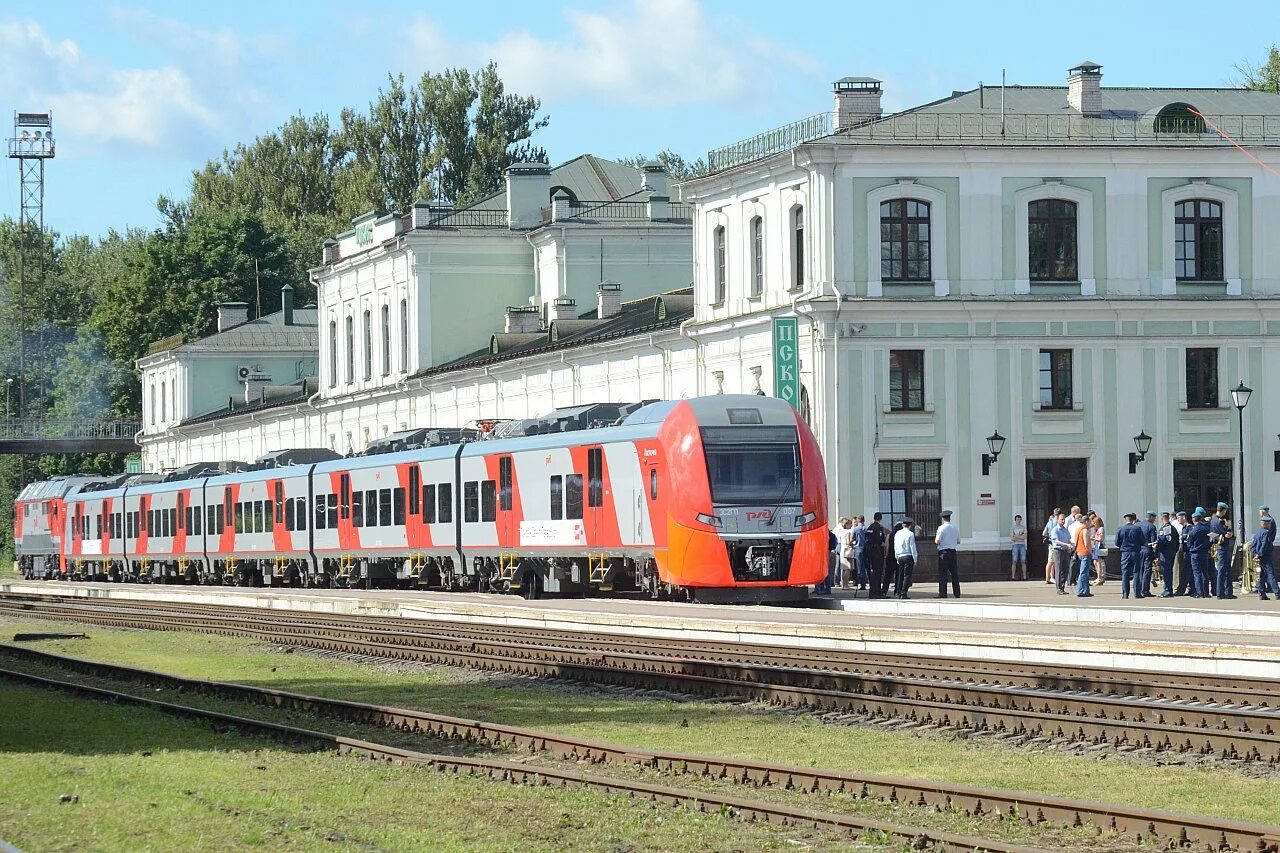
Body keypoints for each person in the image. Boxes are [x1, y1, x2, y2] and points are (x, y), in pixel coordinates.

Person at [1115, 513, 1146, 599]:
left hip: (1125, 553)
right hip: (1135, 552)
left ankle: (1125, 594)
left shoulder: (1121, 529)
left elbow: (1117, 542)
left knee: (1125, 573)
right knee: (1136, 572)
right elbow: (1143, 541)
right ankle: (1137, 593)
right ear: (1133, 520)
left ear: (1126, 520)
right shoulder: (1137, 529)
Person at [1210, 502, 1236, 600]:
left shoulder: (1213, 520)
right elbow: (1227, 534)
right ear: (1223, 510)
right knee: (1223, 570)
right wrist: (1229, 531)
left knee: (1223, 569)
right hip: (1223, 546)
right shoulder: (1220, 521)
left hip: (1217, 546)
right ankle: (1222, 592)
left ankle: (1226, 592)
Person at [1185, 508, 1211, 599]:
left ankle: (1199, 592)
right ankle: (1206, 591)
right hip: (1205, 552)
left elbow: (1189, 543)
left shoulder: (1193, 530)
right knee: (1204, 572)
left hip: (1195, 553)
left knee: (1197, 573)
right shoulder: (1207, 528)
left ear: (1193, 519)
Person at [1251, 516, 1278, 601]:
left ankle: (1262, 594)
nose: (1270, 525)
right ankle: (1277, 593)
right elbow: (1264, 545)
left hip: (1259, 557)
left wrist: (1255, 554)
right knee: (1271, 575)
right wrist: (1259, 554)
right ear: (1266, 524)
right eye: (1269, 523)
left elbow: (1253, 546)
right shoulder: (1266, 533)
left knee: (1261, 576)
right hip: (1265, 556)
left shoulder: (1258, 533)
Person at [935, 510, 961, 598]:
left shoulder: (941, 528)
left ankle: (943, 593)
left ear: (942, 518)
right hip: (953, 551)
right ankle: (957, 593)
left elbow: (937, 541)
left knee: (943, 573)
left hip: (943, 552)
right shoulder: (955, 527)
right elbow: (958, 541)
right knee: (954, 573)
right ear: (950, 518)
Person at [1156, 512, 1180, 598]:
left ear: (1162, 518)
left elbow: (1163, 540)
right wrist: (1174, 550)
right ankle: (1167, 589)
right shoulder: (1173, 528)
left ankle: (1167, 591)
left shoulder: (1165, 528)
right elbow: (1177, 541)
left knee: (1166, 572)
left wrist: (1156, 546)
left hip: (1165, 553)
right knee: (1168, 571)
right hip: (1171, 552)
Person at [893, 518, 917, 599]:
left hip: (900, 556)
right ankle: (904, 593)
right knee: (907, 575)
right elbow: (912, 547)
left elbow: (895, 546)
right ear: (910, 525)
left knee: (900, 575)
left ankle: (898, 592)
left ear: (903, 525)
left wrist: (897, 557)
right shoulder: (910, 534)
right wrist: (915, 558)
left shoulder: (897, 533)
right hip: (908, 556)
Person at [865, 512, 887, 599]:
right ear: (880, 518)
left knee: (873, 572)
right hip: (877, 552)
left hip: (870, 552)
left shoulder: (870, 527)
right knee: (877, 572)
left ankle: (875, 592)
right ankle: (876, 592)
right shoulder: (879, 528)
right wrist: (884, 544)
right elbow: (879, 540)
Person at [1050, 512, 1072, 595]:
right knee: (1058, 569)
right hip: (1058, 551)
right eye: (1061, 519)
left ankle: (1062, 587)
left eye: (1064, 520)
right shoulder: (1055, 530)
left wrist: (1070, 545)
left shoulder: (1066, 530)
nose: (1063, 521)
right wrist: (1066, 544)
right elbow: (1056, 541)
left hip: (1065, 551)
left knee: (1065, 570)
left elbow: (1069, 539)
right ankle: (1058, 588)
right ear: (1058, 520)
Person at [1073, 514, 1095, 597]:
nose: (1090, 524)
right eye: (1089, 522)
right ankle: (1080, 591)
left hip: (1079, 552)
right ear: (1086, 522)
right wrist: (1090, 551)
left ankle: (1086, 591)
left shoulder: (1078, 529)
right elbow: (1086, 543)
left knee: (1084, 572)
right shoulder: (1085, 530)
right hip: (1085, 553)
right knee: (1083, 573)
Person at [1138, 511, 1159, 596]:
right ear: (1151, 517)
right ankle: (1145, 590)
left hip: (1139, 550)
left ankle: (1138, 589)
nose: (1154, 520)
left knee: (1140, 570)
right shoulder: (1151, 526)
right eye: (1154, 518)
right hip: (1147, 550)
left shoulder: (1138, 525)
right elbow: (1153, 541)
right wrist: (1156, 554)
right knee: (1147, 571)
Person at [1172, 510, 1190, 596]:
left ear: (1184, 517)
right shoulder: (1183, 527)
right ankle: (1181, 588)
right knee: (1181, 569)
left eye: (1179, 517)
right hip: (1182, 548)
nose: (1177, 519)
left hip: (1184, 549)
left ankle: (1179, 588)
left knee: (1179, 569)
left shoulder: (1187, 527)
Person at [1042, 507, 1061, 584]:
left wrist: (1049, 536)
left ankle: (1049, 577)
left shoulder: (1050, 522)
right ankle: (1049, 578)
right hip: (1056, 543)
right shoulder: (1057, 522)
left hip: (1050, 543)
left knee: (1051, 561)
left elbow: (1043, 533)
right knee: (1052, 561)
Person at [850, 516, 869, 591]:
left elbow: (852, 539)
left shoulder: (855, 529)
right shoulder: (867, 528)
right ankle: (870, 582)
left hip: (858, 549)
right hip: (866, 548)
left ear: (858, 520)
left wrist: (851, 544)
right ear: (864, 520)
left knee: (860, 567)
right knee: (867, 566)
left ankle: (862, 584)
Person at [1088, 511, 1107, 585]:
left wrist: (1093, 539)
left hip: (1099, 546)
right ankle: (1098, 577)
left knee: (1099, 562)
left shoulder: (1101, 529)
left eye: (1095, 523)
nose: (1094, 525)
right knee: (1095, 562)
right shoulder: (1097, 529)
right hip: (1096, 545)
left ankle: (1100, 577)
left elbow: (1101, 539)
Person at [838, 517, 855, 589]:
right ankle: (846, 585)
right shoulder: (848, 532)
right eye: (850, 524)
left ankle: (843, 584)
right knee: (848, 569)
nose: (851, 525)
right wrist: (853, 542)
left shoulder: (842, 531)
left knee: (843, 569)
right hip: (847, 551)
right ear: (847, 524)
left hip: (843, 550)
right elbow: (848, 542)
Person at [1010, 515, 1027, 580]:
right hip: (1015, 545)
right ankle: (1013, 576)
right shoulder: (1012, 528)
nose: (1018, 521)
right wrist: (1020, 536)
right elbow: (1012, 538)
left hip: (1022, 545)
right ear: (1015, 520)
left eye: (1019, 519)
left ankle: (1024, 577)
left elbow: (1024, 537)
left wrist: (1016, 536)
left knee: (1023, 561)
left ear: (1021, 520)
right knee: (1014, 561)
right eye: (1017, 519)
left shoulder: (1023, 527)